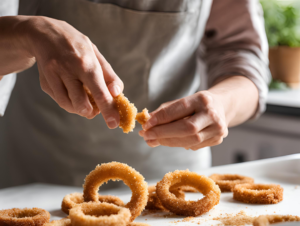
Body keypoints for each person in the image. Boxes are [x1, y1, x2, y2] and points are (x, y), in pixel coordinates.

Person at [0, 0, 269, 189]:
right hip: (35, 169)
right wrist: (27, 33)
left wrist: (222, 104)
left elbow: (245, 57)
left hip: (170, 178)